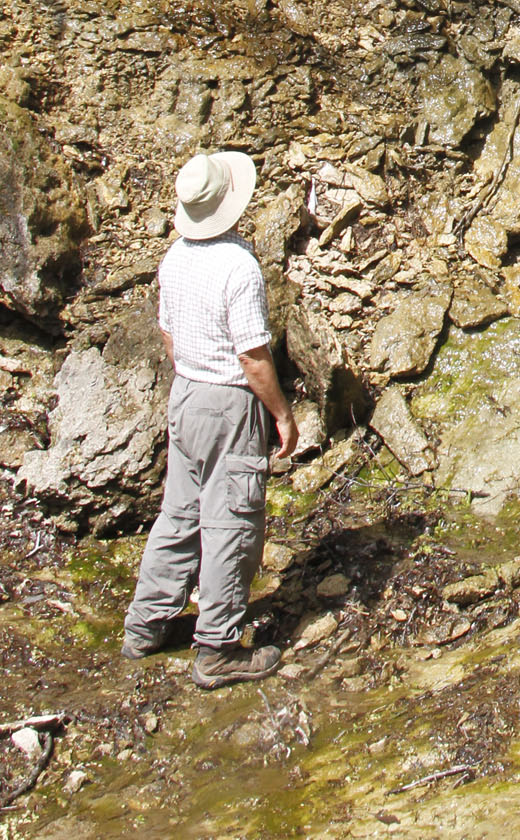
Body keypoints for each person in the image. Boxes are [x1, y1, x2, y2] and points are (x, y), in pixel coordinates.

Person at [122, 149, 299, 688]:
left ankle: (145, 625)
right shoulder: (238, 267)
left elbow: (170, 336)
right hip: (227, 401)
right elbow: (252, 356)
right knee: (231, 523)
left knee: (179, 512)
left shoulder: (173, 258)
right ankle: (218, 648)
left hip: (186, 393)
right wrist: (282, 414)